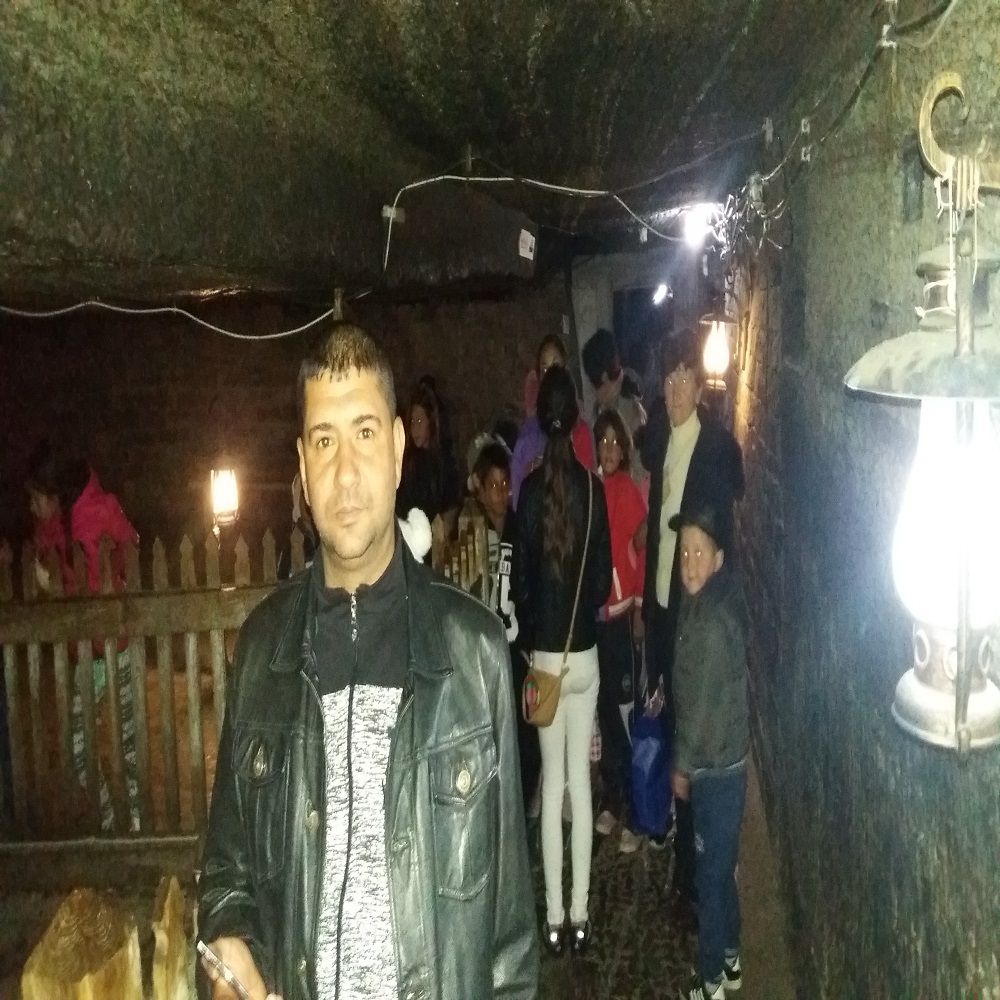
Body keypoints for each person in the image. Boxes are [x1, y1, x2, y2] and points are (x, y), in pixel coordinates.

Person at [198, 324, 537, 1000]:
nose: (346, 472)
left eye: (364, 434)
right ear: (302, 465)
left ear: (398, 450)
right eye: (324, 441)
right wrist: (228, 952)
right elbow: (227, 877)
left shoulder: (475, 653)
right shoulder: (262, 650)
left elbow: (508, 945)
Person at [639, 329, 743, 913]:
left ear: (699, 387)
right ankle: (689, 860)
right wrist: (647, 610)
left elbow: (718, 542)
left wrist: (703, 618)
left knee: (693, 744)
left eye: (685, 379)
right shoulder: (663, 442)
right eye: (669, 379)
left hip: (693, 620)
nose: (676, 389)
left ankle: (698, 874)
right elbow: (660, 533)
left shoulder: (713, 447)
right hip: (662, 612)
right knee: (676, 729)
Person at [514, 366, 611, 958]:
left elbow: (520, 587)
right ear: (575, 421)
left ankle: (552, 920)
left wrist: (535, 635)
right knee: (580, 781)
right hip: (586, 657)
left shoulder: (528, 494)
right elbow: (598, 585)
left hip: (546, 660)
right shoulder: (594, 492)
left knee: (551, 788)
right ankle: (581, 913)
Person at [26, 442, 141, 832]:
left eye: (36, 498)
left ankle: (136, 825)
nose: (32, 507)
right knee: (78, 745)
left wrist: (59, 587)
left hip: (115, 645)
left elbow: (119, 557)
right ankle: (110, 821)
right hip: (87, 652)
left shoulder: (93, 513)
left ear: (54, 495)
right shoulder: (53, 526)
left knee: (128, 741)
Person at [668, 505, 748, 1000]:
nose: (690, 562)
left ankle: (711, 980)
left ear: (718, 559)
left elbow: (698, 708)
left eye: (699, 552)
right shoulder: (705, 602)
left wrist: (682, 766)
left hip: (714, 765)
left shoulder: (711, 622)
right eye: (684, 553)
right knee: (722, 865)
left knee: (710, 876)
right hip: (723, 757)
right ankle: (732, 957)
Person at [471, 440, 540, 817]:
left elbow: (528, 587)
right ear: (480, 488)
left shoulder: (519, 529)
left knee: (523, 728)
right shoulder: (472, 532)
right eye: (492, 485)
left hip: (515, 647)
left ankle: (523, 802)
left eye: (504, 485)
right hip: (483, 650)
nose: (499, 493)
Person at [592, 409, 646, 856]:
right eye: (603, 441)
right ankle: (612, 794)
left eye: (615, 442)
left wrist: (640, 605)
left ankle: (634, 803)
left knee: (626, 713)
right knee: (606, 709)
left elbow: (640, 552)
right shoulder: (593, 489)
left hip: (621, 618)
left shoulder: (627, 491)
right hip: (598, 618)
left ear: (624, 449)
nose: (609, 449)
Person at [510, 334, 595, 508]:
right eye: (545, 369)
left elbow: (589, 495)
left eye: (556, 365)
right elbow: (518, 500)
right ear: (538, 377)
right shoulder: (527, 436)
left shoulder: (581, 430)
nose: (551, 374)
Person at [395, 383, 462, 538]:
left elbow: (451, 508)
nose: (414, 428)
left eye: (420, 421)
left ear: (430, 422)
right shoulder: (408, 463)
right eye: (412, 421)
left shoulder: (445, 463)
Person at [581, 328, 647, 484]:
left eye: (593, 383)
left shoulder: (631, 412)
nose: (593, 391)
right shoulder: (602, 407)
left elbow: (638, 475)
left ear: (604, 377)